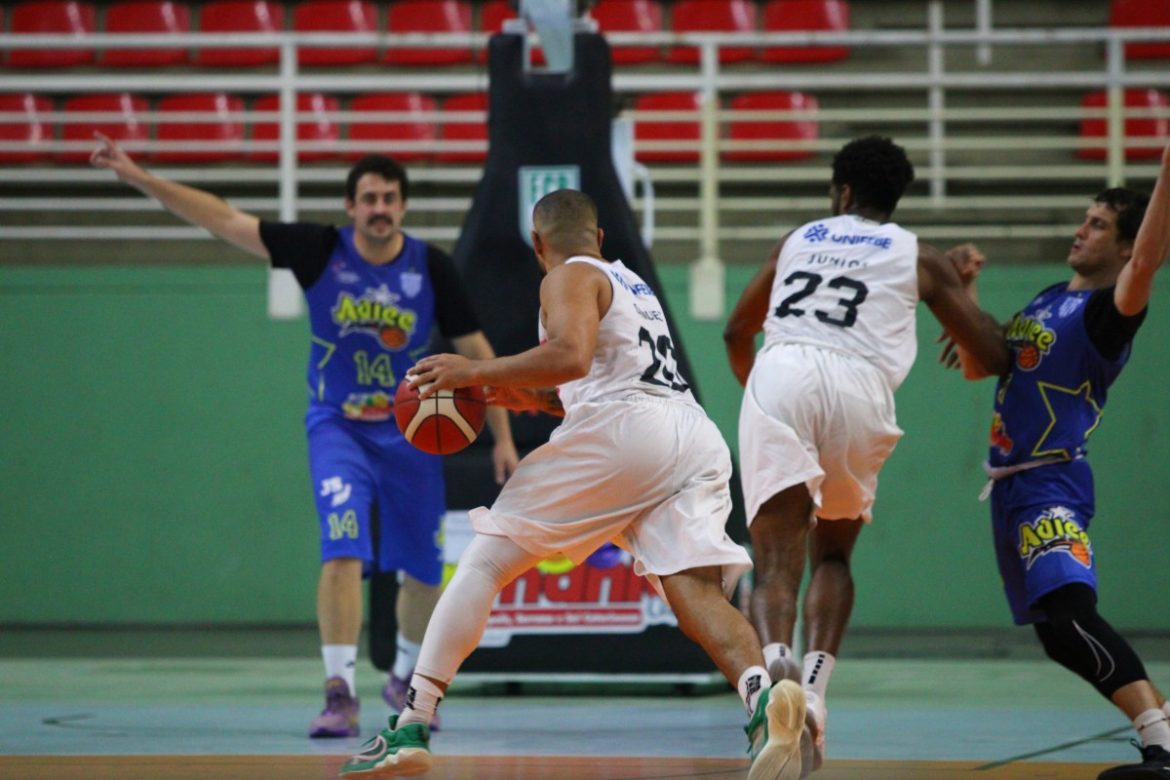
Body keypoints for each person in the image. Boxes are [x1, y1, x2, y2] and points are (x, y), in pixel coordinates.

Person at [340, 189, 807, 779]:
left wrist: (472, 370)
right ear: (601, 235)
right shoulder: (631, 284)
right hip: (690, 436)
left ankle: (411, 723)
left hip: (629, 432)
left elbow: (571, 357)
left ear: (539, 244)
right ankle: (765, 698)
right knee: (696, 596)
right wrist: (500, 391)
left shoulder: (567, 276)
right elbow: (575, 385)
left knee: (484, 562)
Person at [90, 134, 520, 738]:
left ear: (402, 206)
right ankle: (338, 690)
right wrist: (140, 176)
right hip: (337, 424)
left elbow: (476, 353)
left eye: (390, 197)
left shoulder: (431, 266)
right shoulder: (319, 250)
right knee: (342, 547)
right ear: (350, 206)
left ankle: (403, 677)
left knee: (423, 569)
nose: (379, 207)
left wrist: (501, 436)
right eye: (368, 197)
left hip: (409, 433)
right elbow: (222, 217)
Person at [722, 135, 1010, 773]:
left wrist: (764, 402)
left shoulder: (799, 240)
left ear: (842, 192)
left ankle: (775, 674)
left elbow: (735, 330)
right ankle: (815, 702)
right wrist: (963, 287)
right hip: (861, 388)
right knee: (832, 553)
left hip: (782, 373)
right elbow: (992, 357)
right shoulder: (919, 257)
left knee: (773, 561)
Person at [945, 139, 1170, 780]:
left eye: (1098, 225)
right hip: (1012, 487)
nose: (1081, 229)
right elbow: (976, 367)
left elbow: (1151, 258)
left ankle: (1161, 742)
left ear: (1125, 247)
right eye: (1085, 218)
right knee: (1054, 631)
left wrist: (1166, 172)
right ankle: (1161, 728)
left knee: (1071, 617)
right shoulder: (1045, 299)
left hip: (1052, 481)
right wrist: (966, 294)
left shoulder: (1109, 313)